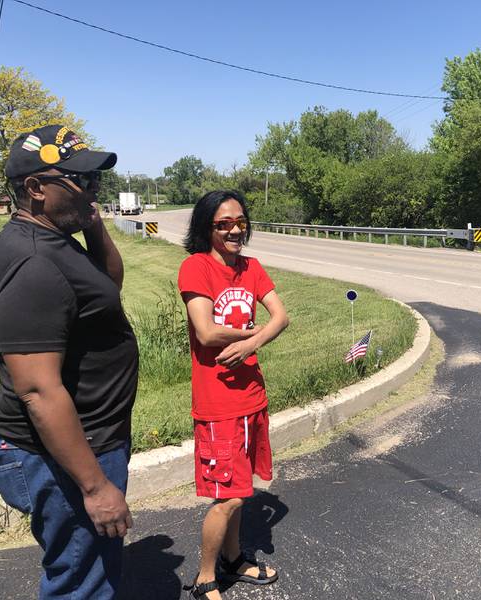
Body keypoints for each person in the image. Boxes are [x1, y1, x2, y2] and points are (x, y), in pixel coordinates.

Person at [0, 125, 138, 599]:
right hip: (68, 457)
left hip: (88, 443)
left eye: (96, 180)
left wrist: (91, 218)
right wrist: (94, 488)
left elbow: (108, 286)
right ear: (35, 189)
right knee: (80, 583)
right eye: (82, 181)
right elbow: (37, 390)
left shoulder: (53, 237)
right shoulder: (34, 264)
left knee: (90, 570)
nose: (95, 190)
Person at [177, 190, 289, 600]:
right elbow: (206, 331)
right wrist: (255, 336)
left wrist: (249, 345)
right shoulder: (196, 267)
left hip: (252, 398)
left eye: (240, 221)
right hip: (218, 404)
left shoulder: (251, 267)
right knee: (226, 498)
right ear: (207, 227)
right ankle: (205, 577)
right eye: (223, 224)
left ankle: (234, 558)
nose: (234, 230)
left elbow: (282, 316)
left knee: (242, 492)